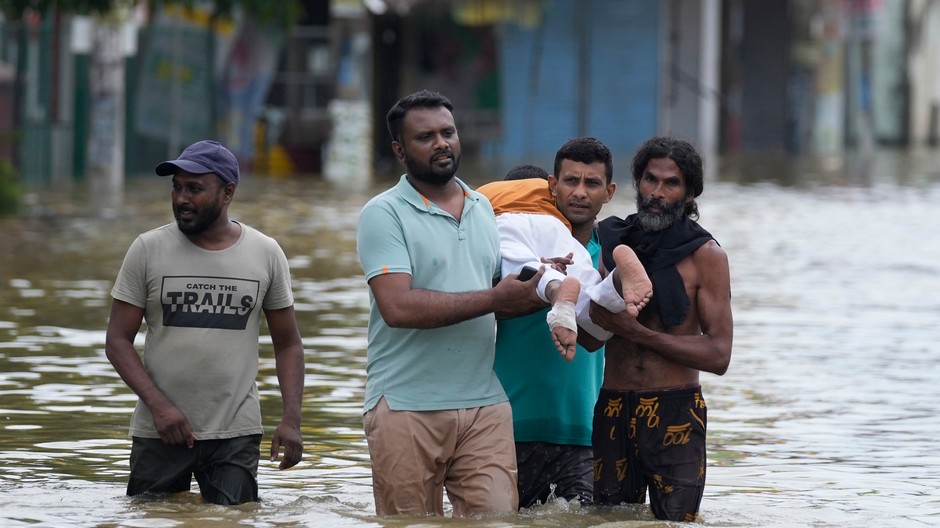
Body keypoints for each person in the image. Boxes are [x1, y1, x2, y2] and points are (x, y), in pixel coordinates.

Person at [356, 89, 547, 517]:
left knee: (498, 520)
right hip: (406, 405)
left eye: (448, 132)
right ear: (399, 151)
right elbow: (398, 308)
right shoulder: (383, 213)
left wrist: (543, 279)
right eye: (426, 137)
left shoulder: (482, 207)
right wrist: (495, 296)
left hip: (483, 402)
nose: (442, 143)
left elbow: (498, 297)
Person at [105, 140, 305, 505]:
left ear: (228, 192)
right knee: (153, 518)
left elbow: (288, 343)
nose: (181, 198)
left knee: (234, 520)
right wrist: (159, 407)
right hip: (159, 430)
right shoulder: (147, 249)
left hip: (236, 430)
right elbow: (117, 340)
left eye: (194, 188)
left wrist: (291, 420)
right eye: (177, 187)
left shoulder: (266, 253)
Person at [484, 138, 635, 508]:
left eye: (592, 183)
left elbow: (596, 338)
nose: (580, 193)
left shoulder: (607, 253)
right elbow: (473, 310)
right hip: (504, 430)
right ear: (552, 188)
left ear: (609, 192)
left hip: (583, 434)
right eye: (570, 182)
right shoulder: (496, 255)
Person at [589, 136, 733, 522]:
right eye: (650, 180)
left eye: (671, 183)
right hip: (613, 406)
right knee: (606, 520)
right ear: (637, 182)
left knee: (676, 522)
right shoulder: (609, 239)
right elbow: (587, 340)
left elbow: (720, 356)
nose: (657, 192)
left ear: (689, 193)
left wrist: (638, 334)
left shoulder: (706, 256)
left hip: (676, 411)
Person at [477, 164, 651, 360]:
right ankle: (616, 281)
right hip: (553, 225)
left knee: (523, 264)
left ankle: (555, 288)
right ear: (552, 188)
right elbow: (594, 342)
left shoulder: (486, 196)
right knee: (589, 290)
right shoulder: (552, 207)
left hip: (505, 222)